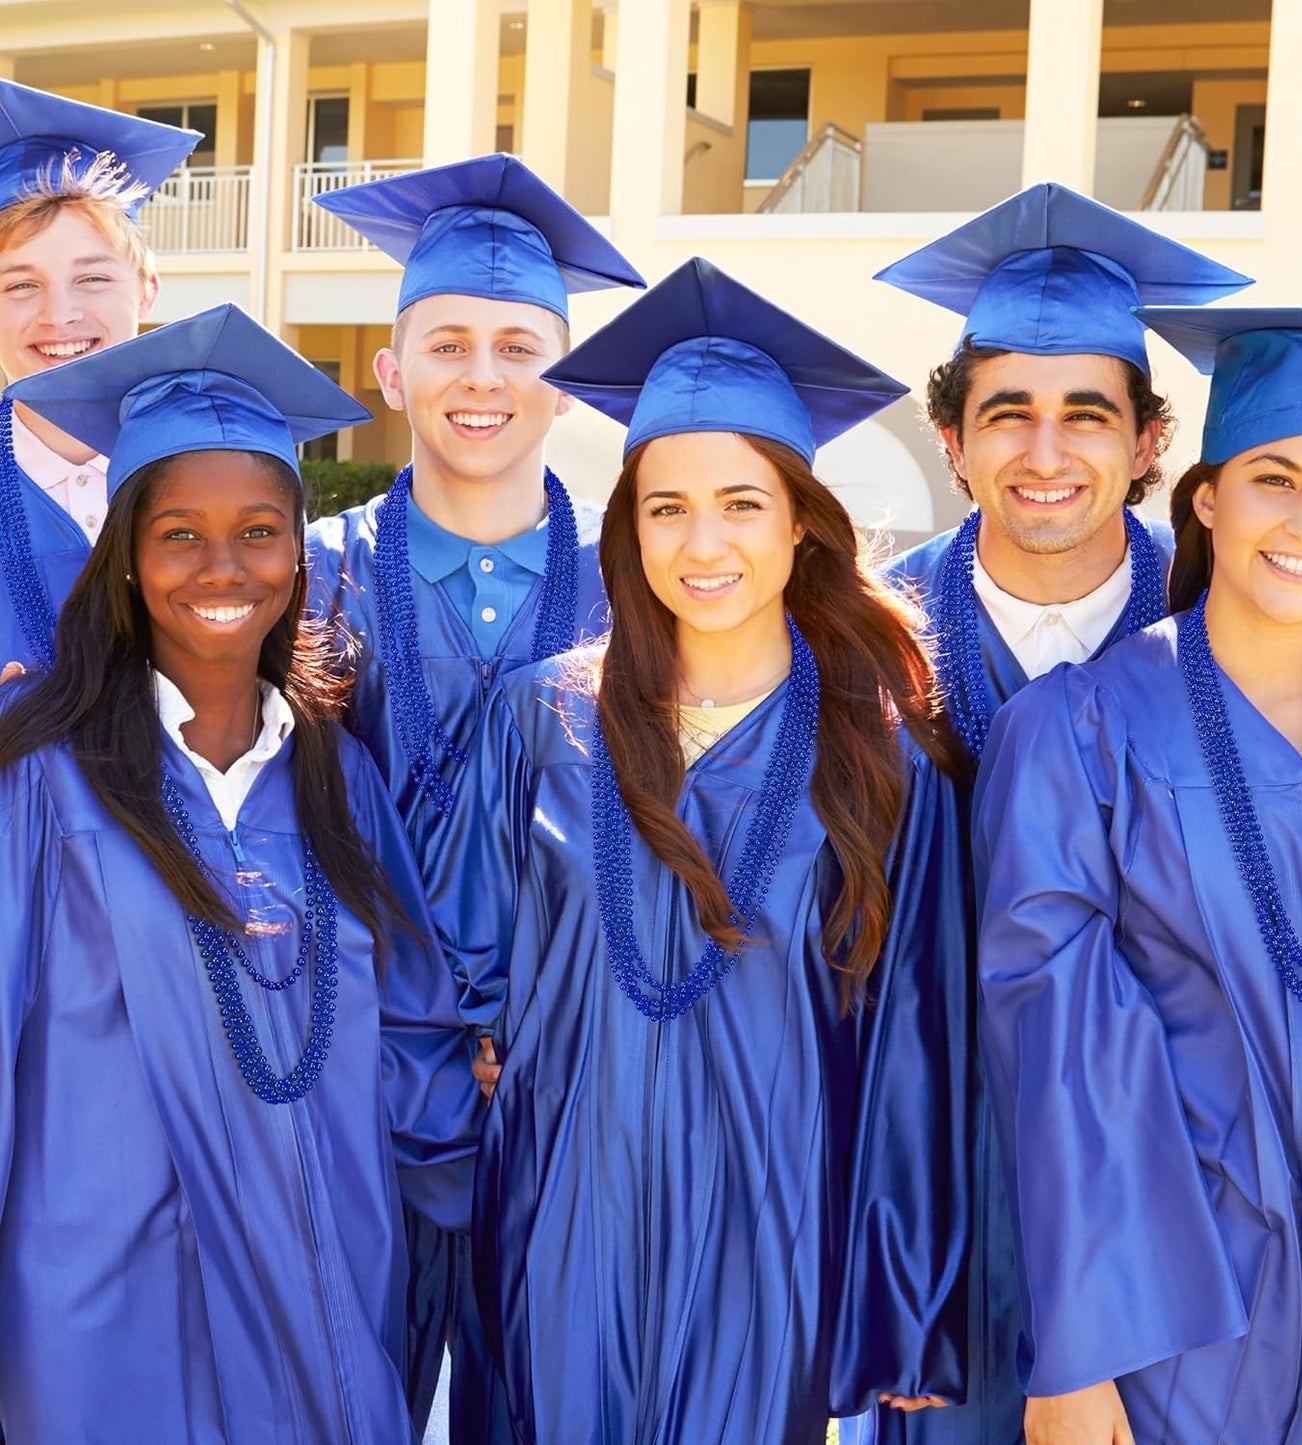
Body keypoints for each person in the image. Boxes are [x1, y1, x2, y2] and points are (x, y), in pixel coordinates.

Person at [462, 256, 973, 1443]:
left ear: (800, 523)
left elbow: (914, 1047)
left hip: (775, 1223)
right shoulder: (540, 721)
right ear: (627, 525)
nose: (704, 541)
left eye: (741, 502)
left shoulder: (884, 763)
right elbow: (465, 976)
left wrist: (899, 1294)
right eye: (667, 506)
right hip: (565, 1216)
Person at [0, 304, 481, 1443]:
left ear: (299, 550)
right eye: (179, 534)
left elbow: (414, 1038)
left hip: (318, 1286)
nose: (224, 566)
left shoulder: (337, 777)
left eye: (260, 529)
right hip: (97, 1303)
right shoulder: (38, 773)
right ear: (124, 555)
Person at [973, 303, 1302, 1443]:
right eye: (1272, 478)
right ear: (1204, 495)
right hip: (1187, 1328)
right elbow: (1056, 1060)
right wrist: (1079, 1362)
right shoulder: (1078, 731)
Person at [840, 181, 1253, 1445]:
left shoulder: (1230, 646)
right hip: (930, 1189)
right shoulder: (858, 649)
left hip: (1180, 1191)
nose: (1044, 450)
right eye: (1004, 412)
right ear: (950, 438)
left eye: (1087, 413)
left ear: (1145, 443)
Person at [305, 153, 645, 1438]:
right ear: (391, 374)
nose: (482, 376)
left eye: (519, 345)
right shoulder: (307, 586)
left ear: (564, 382)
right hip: (355, 1093)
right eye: (445, 343)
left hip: (575, 1098)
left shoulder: (646, 593)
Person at [0, 78, 197, 670]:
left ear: (147, 290)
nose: (59, 314)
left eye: (92, 278)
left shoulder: (209, 473)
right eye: (20, 284)